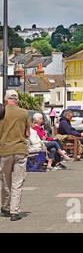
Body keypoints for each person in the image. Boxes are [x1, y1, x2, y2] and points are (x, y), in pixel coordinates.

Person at [0, 90, 30, 221]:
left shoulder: (2, 112)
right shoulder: (24, 113)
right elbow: (27, 133)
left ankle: (5, 207)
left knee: (5, 181)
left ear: (6, 99)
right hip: (20, 150)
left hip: (4, 150)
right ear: (17, 100)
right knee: (17, 182)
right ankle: (14, 211)